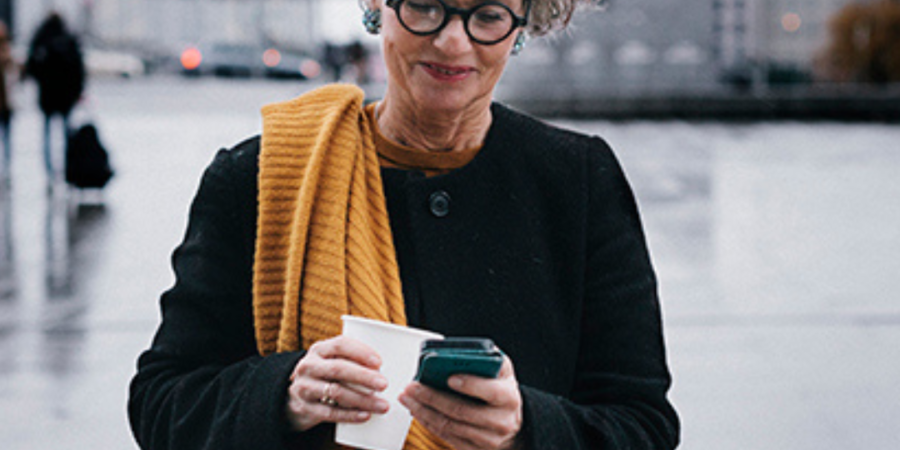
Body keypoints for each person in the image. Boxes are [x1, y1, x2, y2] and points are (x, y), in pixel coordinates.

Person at [128, 0, 680, 449]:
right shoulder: (258, 175)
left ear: (522, 26)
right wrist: (285, 396)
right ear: (377, 6)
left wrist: (526, 428)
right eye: (425, 7)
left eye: (487, 16)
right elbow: (161, 404)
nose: (452, 42)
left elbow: (644, 426)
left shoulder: (577, 181)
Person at [23, 12, 86, 182]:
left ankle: (49, 171)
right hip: (66, 97)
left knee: (47, 135)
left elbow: (31, 67)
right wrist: (79, 91)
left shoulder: (41, 39)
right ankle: (66, 167)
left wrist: (42, 80)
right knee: (66, 134)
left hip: (47, 96)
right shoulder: (68, 38)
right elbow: (79, 69)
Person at [0, 20, 15, 186]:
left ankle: (6, 166)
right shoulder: (7, 55)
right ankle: (6, 166)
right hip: (6, 104)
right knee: (6, 138)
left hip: (6, 104)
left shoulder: (8, 56)